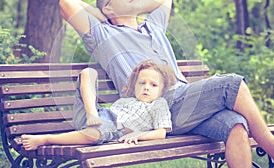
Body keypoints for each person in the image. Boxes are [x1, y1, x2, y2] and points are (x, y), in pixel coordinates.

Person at [59, 0, 274, 167]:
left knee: (235, 124)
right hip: (154, 106)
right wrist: (102, 14)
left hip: (184, 105)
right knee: (231, 84)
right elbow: (66, 3)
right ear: (108, 9)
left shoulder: (153, 26)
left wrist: (127, 6)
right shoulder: (103, 35)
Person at [21, 60, 176, 149]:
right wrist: (93, 113)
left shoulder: (158, 104)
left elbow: (161, 133)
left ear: (162, 90)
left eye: (153, 85)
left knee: (94, 133)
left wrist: (139, 134)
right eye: (142, 83)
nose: (146, 87)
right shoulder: (127, 100)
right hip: (95, 115)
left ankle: (46, 139)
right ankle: (91, 114)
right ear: (134, 85)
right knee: (88, 72)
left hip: (115, 127)